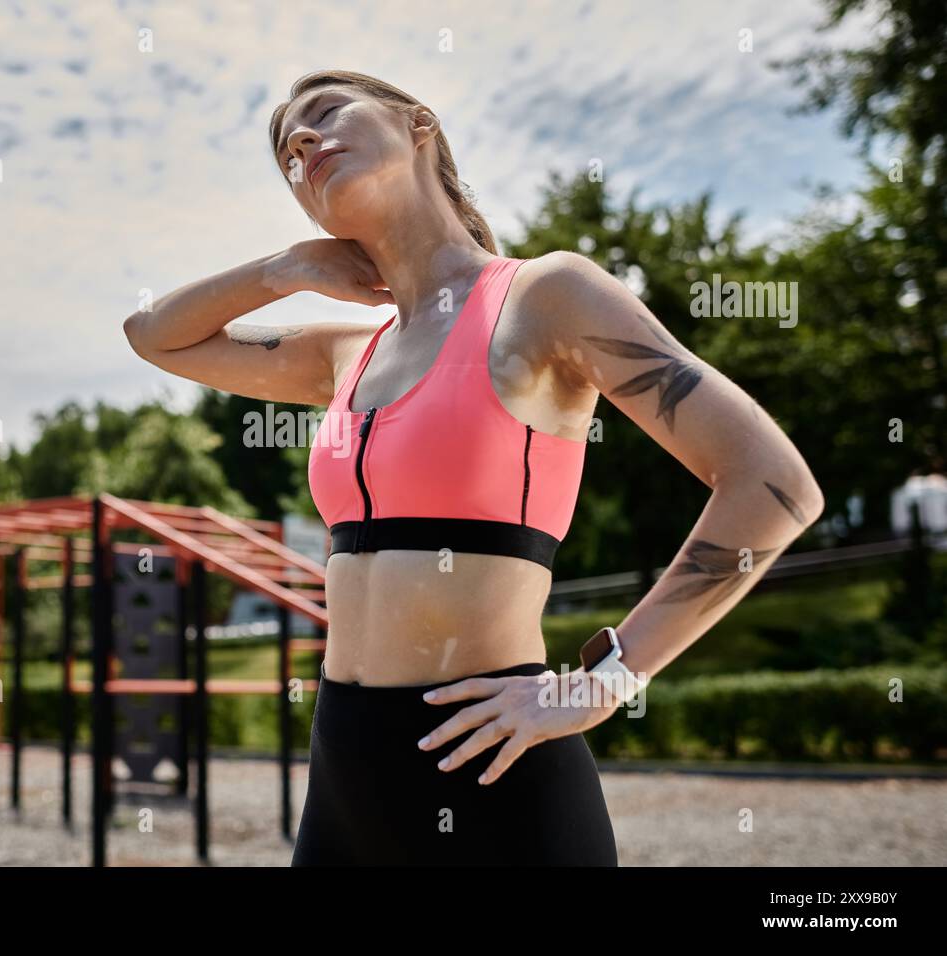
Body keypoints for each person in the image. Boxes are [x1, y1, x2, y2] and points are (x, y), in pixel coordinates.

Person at [122, 69, 824, 866]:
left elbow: (772, 484)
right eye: (286, 151)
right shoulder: (347, 353)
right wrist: (284, 269)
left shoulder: (544, 297)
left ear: (420, 124)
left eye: (324, 114)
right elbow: (152, 334)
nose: (302, 143)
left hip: (493, 772)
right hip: (344, 774)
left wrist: (602, 683)